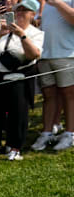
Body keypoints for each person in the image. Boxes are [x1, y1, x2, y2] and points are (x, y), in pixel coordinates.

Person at [0, 0, 44, 160]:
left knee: (18, 116)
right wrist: (0, 34)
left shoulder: (36, 33)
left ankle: (14, 148)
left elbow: (34, 55)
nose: (20, 13)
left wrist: (21, 35)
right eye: (18, 10)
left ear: (32, 14)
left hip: (18, 80)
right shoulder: (3, 29)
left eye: (24, 11)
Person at [30, 0, 74, 151]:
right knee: (48, 96)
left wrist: (57, 3)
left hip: (67, 54)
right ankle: (47, 132)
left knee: (69, 95)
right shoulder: (45, 3)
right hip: (45, 56)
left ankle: (70, 134)